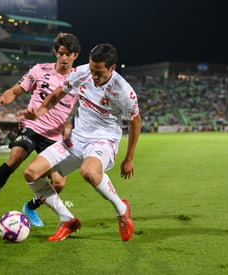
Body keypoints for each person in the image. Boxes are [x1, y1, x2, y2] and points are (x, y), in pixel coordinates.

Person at [22, 43, 141, 241]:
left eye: (99, 72)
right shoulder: (81, 72)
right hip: (76, 138)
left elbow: (135, 124)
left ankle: (121, 209)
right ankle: (67, 219)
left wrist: (129, 158)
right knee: (31, 173)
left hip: (104, 139)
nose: (93, 76)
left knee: (89, 171)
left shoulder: (124, 92)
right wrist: (38, 113)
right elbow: (56, 95)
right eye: (92, 69)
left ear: (112, 68)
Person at [0, 33, 81, 225]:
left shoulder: (79, 80)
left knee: (59, 183)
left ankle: (30, 207)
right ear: (56, 52)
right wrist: (3, 98)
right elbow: (15, 90)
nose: (64, 58)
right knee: (15, 157)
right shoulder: (39, 70)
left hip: (54, 136)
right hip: (32, 126)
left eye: (69, 54)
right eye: (61, 53)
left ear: (75, 55)